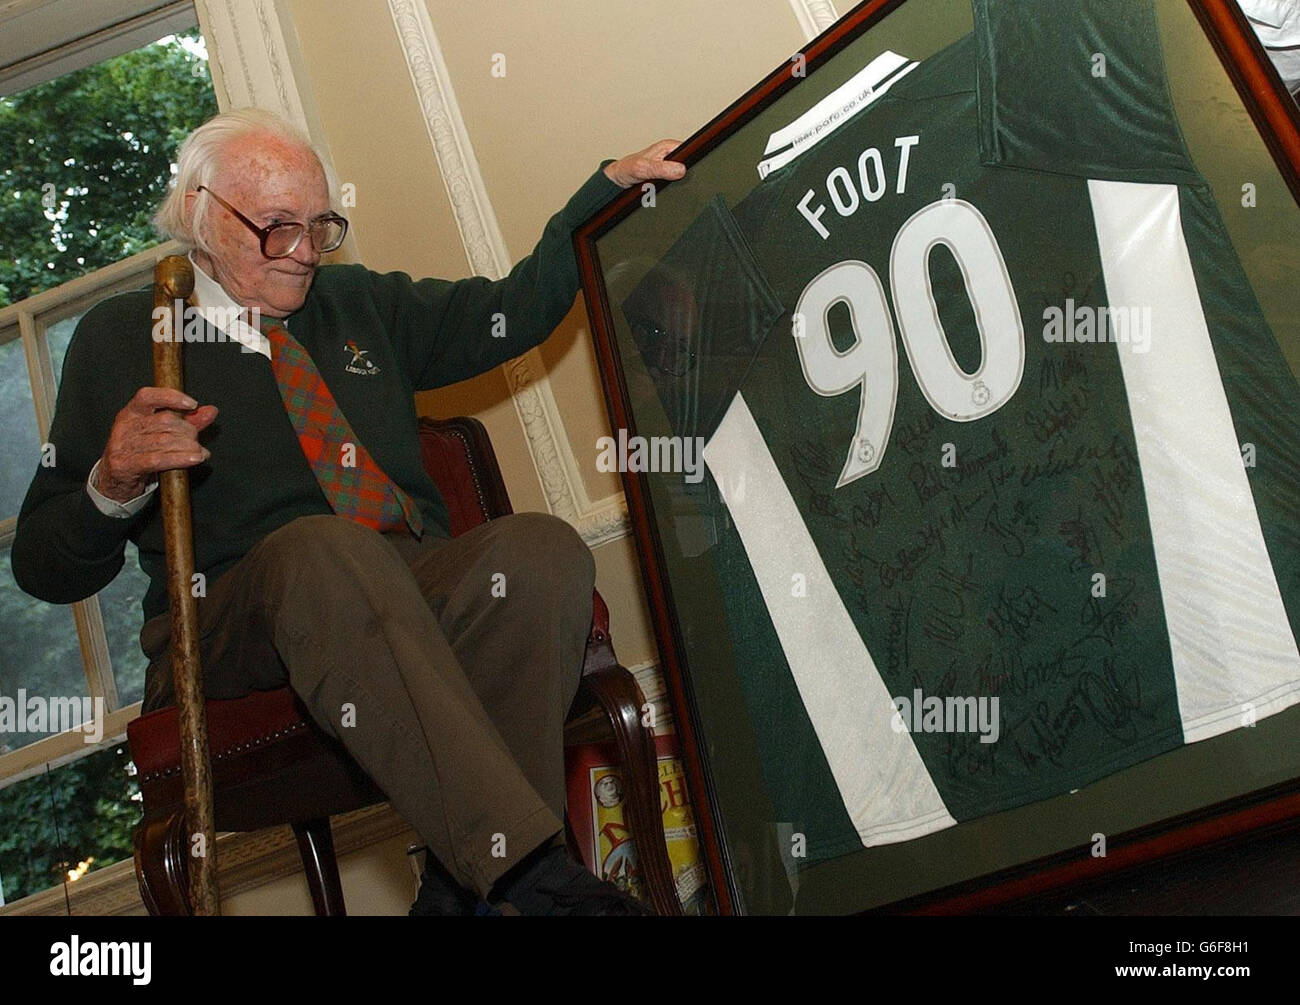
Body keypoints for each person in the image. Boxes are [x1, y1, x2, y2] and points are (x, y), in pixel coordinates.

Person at [10, 107, 685, 916]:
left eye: (320, 226)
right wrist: (111, 481)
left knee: (537, 551)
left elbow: (512, 311)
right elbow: (44, 565)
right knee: (324, 552)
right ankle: (522, 877)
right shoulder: (126, 335)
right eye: (276, 229)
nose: (303, 253)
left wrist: (600, 195)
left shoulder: (357, 303)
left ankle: (461, 887)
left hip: (399, 581)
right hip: (234, 616)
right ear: (199, 210)